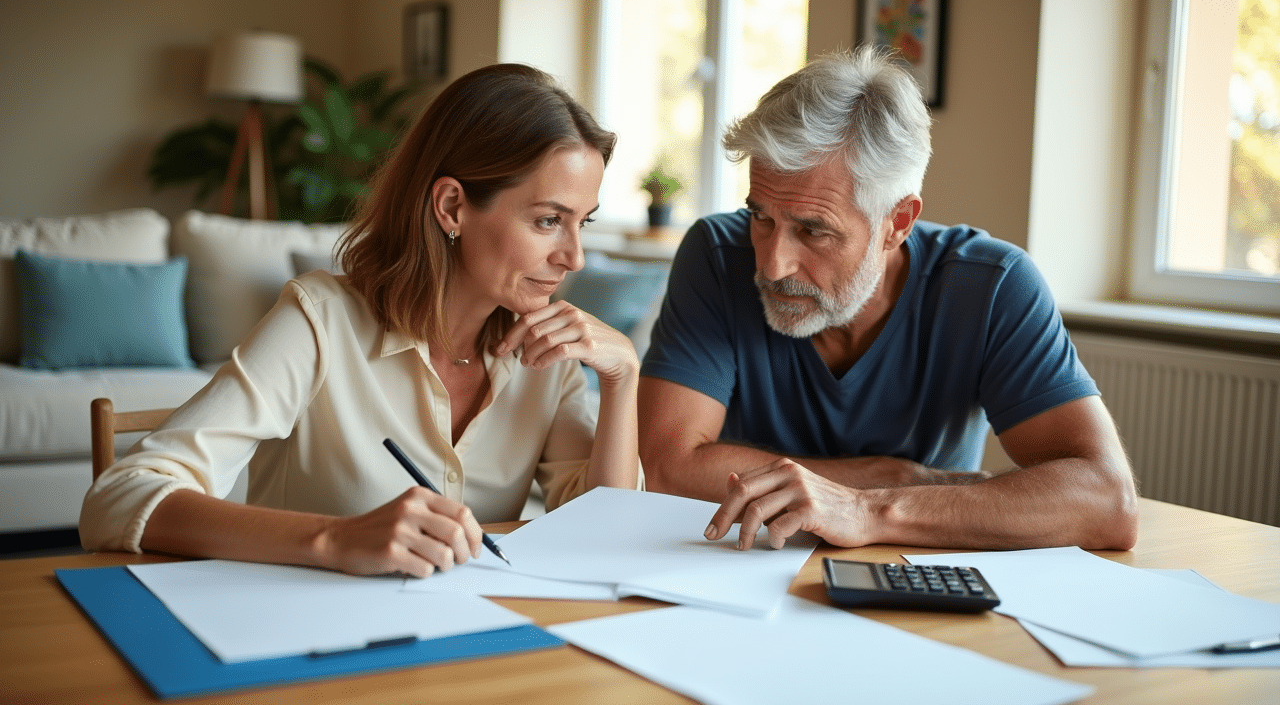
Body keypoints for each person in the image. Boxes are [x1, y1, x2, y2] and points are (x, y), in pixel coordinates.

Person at [81, 63, 641, 577]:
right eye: (548, 221)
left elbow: (605, 534)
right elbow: (119, 497)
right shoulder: (319, 322)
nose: (575, 256)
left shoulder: (548, 357)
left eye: (582, 223)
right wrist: (336, 538)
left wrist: (622, 379)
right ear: (451, 207)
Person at [637, 46, 1138, 553]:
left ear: (896, 223)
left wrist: (868, 507)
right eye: (761, 217)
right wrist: (890, 475)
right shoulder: (717, 255)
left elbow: (1107, 502)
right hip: (742, 565)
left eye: (813, 231)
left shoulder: (991, 286)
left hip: (920, 573)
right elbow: (669, 468)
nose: (771, 264)